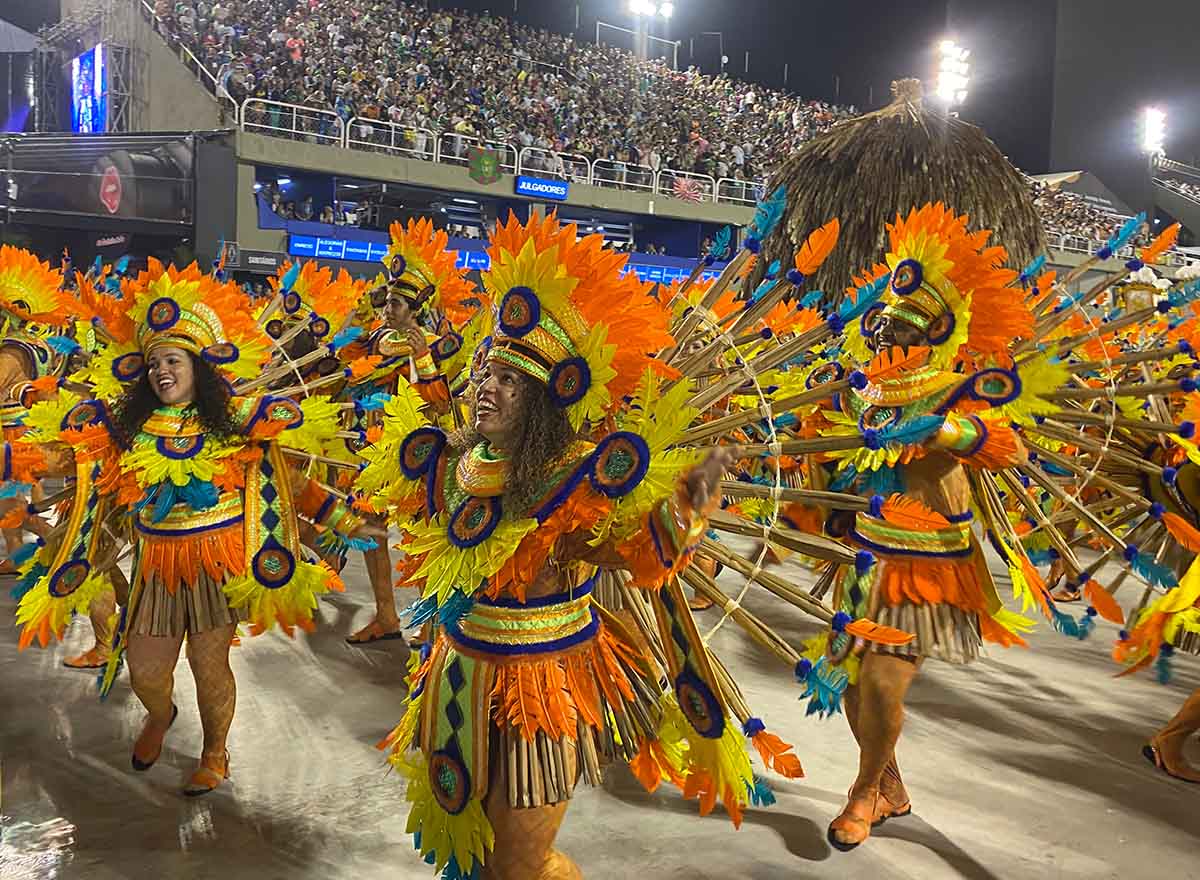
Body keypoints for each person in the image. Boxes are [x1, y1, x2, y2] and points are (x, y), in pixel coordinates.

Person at [364, 213, 802, 878]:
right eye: (487, 372)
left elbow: (638, 557)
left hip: (540, 685)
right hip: (456, 675)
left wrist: (691, 502)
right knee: (471, 859)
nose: (488, 385)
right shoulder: (446, 465)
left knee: (518, 863)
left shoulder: (577, 478)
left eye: (510, 380)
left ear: (545, 402)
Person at [8, 259, 372, 796]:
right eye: (154, 363)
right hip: (156, 569)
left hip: (214, 568)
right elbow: (64, 461)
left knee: (209, 666)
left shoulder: (236, 425)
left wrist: (339, 518)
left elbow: (290, 482)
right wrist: (13, 458)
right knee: (147, 672)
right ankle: (160, 714)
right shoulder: (126, 430)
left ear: (197, 367)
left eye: (173, 360)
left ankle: (215, 750)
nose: (162, 371)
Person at [340, 219, 473, 646]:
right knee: (369, 528)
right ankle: (385, 614)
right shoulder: (373, 337)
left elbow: (438, 399)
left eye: (398, 303)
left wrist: (422, 356)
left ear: (415, 310)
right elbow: (346, 363)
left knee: (422, 535)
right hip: (370, 446)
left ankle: (435, 622)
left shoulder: (431, 342)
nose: (388, 308)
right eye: (388, 300)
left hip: (415, 451)